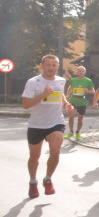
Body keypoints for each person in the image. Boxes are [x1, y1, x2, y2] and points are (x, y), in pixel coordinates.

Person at [21, 54, 70, 198]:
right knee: (34, 157)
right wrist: (43, 94)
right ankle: (33, 182)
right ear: (42, 66)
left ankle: (48, 179)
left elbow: (60, 95)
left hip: (56, 122)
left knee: (55, 151)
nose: (51, 68)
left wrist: (66, 104)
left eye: (54, 65)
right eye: (48, 65)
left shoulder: (61, 81)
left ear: (58, 66)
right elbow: (25, 105)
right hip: (36, 124)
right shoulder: (33, 82)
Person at [64, 65, 95, 141]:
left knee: (80, 119)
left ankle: (78, 132)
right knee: (71, 116)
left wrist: (88, 91)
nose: (81, 72)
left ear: (85, 72)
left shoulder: (88, 81)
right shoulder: (73, 80)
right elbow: (70, 87)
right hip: (73, 100)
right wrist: (68, 94)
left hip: (82, 101)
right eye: (79, 71)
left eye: (82, 71)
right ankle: (71, 132)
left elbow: (93, 92)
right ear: (76, 72)